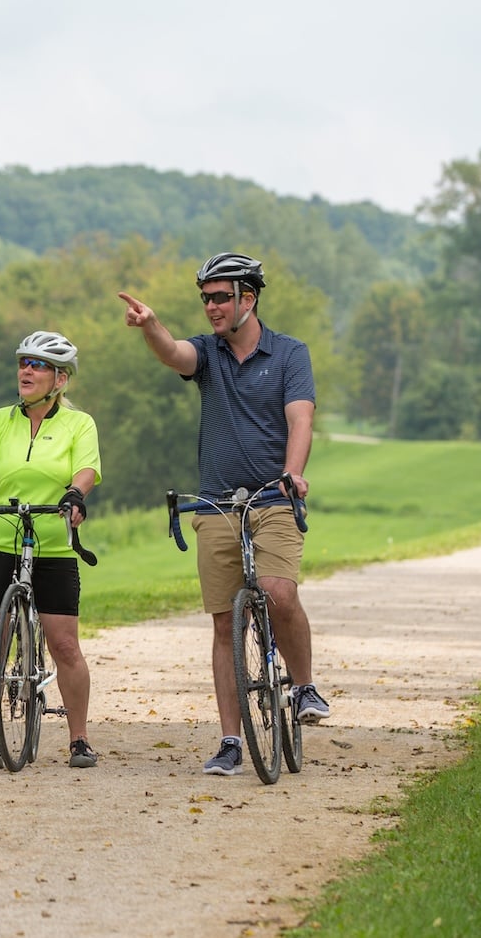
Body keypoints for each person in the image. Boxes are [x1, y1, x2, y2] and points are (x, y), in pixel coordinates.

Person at [118, 253, 329, 777]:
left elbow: (300, 418)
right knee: (222, 623)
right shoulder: (208, 354)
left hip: (274, 496)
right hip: (216, 501)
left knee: (279, 593)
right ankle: (232, 740)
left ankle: (303, 686)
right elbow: (173, 353)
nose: (211, 307)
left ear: (248, 298)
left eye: (220, 297)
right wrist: (152, 327)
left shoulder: (289, 354)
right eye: (205, 298)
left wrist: (293, 473)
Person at [0, 331, 102, 769]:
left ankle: (79, 738)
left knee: (65, 645)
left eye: (37, 365)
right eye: (23, 363)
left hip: (54, 543)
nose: (26, 371)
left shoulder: (79, 424)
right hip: (0, 539)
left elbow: (86, 469)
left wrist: (75, 494)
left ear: (60, 379)